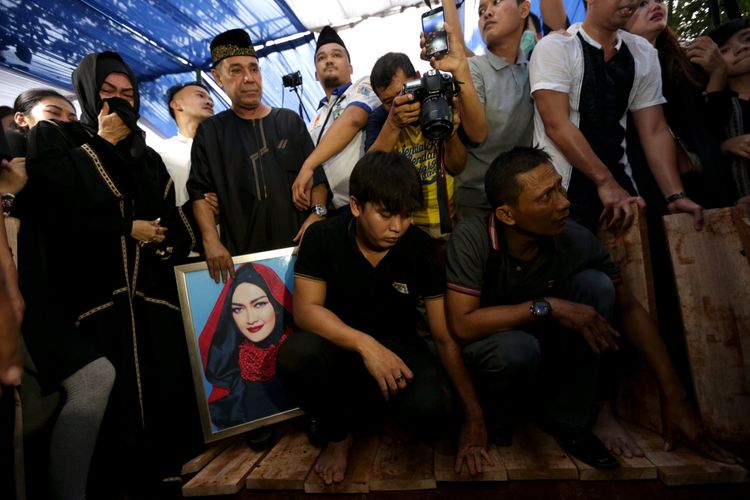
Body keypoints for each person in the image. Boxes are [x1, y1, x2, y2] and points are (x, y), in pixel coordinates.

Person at [445, 146, 738, 468]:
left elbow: (629, 309)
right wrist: (550, 306)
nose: (564, 203)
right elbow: (463, 324)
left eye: (559, 187)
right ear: (507, 214)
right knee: (515, 348)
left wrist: (675, 396)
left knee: (595, 285)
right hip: (498, 355)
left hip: (548, 353)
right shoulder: (473, 238)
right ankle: (499, 414)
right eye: (545, 197)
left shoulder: (575, 238)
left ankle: (571, 416)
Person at [19, 51, 201, 498]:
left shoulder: (149, 157)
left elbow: (169, 220)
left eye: (128, 94)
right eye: (107, 93)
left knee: (166, 403)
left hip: (151, 302)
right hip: (94, 300)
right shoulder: (56, 136)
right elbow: (54, 204)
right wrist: (101, 143)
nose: (119, 102)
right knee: (108, 408)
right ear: (87, 94)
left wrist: (167, 239)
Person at [279, 152, 492, 484]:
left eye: (407, 216)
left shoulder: (421, 248)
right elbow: (306, 311)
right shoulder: (323, 238)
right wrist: (365, 345)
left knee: (432, 411)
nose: (398, 227)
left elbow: (443, 336)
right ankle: (340, 436)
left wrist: (474, 417)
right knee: (297, 354)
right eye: (386, 215)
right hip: (339, 349)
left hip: (399, 351)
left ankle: (383, 411)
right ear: (355, 206)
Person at [530, 0, 703, 232]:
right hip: (560, 191)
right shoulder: (556, 46)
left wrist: (675, 195)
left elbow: (654, 130)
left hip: (620, 193)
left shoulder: (642, 53)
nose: (631, 2)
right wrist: (605, 182)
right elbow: (556, 124)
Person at [188, 28, 327, 284]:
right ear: (217, 77)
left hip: (299, 256)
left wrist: (317, 214)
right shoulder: (210, 133)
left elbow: (318, 180)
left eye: (254, 68)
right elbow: (200, 194)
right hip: (243, 264)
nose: (249, 78)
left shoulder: (289, 121)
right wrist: (211, 241)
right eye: (236, 70)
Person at [624, 0, 735, 210]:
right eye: (641, 4)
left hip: (709, 184)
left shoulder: (683, 62)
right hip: (650, 192)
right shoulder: (613, 69)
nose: (655, 6)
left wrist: (718, 73)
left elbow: (714, 125)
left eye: (657, 0)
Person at [366, 52, 466, 237]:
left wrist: (450, 134)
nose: (400, 102)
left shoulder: (440, 101)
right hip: (405, 224)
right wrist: (392, 124)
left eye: (405, 91)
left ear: (419, 79)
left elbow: (458, 166)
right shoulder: (381, 119)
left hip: (449, 215)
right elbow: (369, 173)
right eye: (389, 101)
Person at [453, 0, 535, 219]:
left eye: (496, 3)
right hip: (477, 203)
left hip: (525, 199)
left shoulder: (536, 68)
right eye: (481, 11)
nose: (487, 13)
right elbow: (476, 134)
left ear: (524, 9)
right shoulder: (474, 68)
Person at [291, 26, 381, 214]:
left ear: (350, 67)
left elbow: (354, 118)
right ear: (315, 74)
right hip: (334, 211)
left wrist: (308, 165)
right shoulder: (314, 120)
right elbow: (318, 172)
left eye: (337, 55)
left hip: (371, 203)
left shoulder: (364, 85)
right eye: (321, 58)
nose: (329, 60)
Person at [199, 262, 295, 430]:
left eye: (259, 304)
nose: (250, 319)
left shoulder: (300, 351)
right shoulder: (231, 376)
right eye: (238, 309)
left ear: (275, 302)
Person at [153, 82, 214, 207]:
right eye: (200, 96)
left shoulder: (225, 149)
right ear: (176, 104)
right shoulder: (159, 153)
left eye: (210, 99)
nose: (209, 102)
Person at [710, 18, 750, 203]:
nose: (741, 48)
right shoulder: (717, 104)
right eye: (724, 50)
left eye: (747, 39)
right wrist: (725, 146)